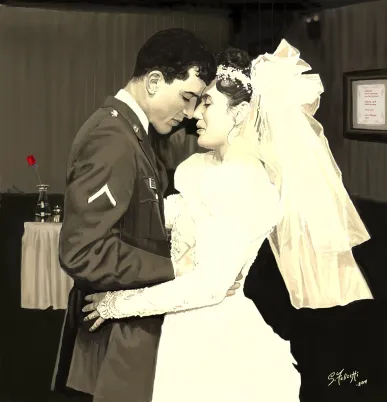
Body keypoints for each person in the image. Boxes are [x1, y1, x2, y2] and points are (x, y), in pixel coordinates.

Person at [83, 46, 302, 402]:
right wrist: (96, 214)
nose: (195, 113)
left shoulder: (247, 184)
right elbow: (161, 217)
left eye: (208, 103)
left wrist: (116, 305)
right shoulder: (203, 170)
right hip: (178, 327)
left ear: (240, 112)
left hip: (214, 340)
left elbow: (209, 287)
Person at [51, 28, 242, 402]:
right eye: (186, 98)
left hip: (125, 336)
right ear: (154, 81)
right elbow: (82, 252)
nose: (190, 113)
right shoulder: (112, 138)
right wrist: (175, 268)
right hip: (107, 346)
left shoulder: (132, 134)